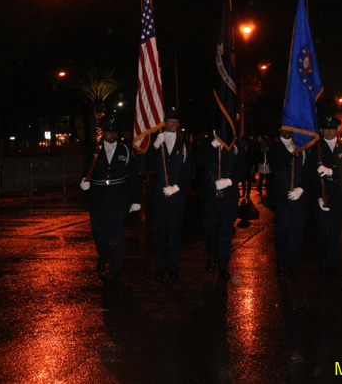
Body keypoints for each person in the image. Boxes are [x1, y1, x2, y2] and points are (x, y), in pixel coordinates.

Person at [80, 112, 141, 282]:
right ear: (103, 132)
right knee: (98, 233)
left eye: (115, 132)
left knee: (116, 235)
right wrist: (84, 182)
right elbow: (86, 172)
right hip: (98, 198)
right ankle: (103, 256)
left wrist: (136, 199)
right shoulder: (93, 152)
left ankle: (116, 268)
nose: (112, 135)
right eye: (108, 131)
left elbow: (134, 177)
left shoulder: (125, 150)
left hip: (118, 198)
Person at [144, 107, 194, 282]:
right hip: (159, 195)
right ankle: (160, 267)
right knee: (159, 232)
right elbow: (148, 164)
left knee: (174, 233)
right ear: (164, 123)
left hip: (176, 196)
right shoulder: (157, 141)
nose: (174, 124)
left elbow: (189, 171)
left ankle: (173, 267)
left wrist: (177, 187)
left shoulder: (184, 145)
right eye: (171, 121)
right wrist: (156, 145)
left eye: (177, 121)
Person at [195, 132, 247, 280]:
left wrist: (230, 181)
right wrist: (213, 145)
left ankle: (223, 265)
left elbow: (242, 168)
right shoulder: (205, 143)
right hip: (210, 196)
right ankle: (212, 256)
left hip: (229, 195)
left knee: (226, 231)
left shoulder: (236, 145)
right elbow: (198, 162)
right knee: (209, 229)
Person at [268, 127, 314, 279]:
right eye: (284, 128)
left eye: (290, 128)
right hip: (281, 199)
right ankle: (281, 262)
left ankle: (293, 264)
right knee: (280, 232)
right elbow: (275, 165)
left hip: (300, 198)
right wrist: (290, 150)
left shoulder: (304, 147)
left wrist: (302, 188)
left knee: (296, 233)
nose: (287, 131)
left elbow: (309, 170)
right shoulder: (274, 147)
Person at [311, 116, 342, 275]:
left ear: (337, 130)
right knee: (322, 231)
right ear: (321, 130)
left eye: (332, 129)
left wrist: (333, 172)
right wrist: (318, 196)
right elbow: (310, 174)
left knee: (335, 232)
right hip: (322, 196)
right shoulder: (316, 148)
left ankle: (332, 262)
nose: (329, 132)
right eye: (326, 129)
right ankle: (322, 259)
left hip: (339, 196)